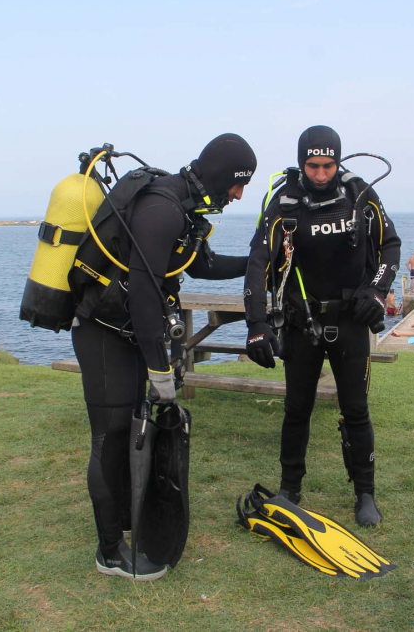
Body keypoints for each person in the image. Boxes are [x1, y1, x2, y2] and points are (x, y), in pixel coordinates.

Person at [70, 133, 257, 580]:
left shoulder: (185, 209)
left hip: (128, 335)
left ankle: (125, 521)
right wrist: (160, 370)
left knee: (127, 433)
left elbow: (200, 266)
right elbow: (143, 298)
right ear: (217, 175)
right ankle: (110, 552)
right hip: (103, 334)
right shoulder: (162, 208)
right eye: (236, 183)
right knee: (110, 439)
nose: (238, 194)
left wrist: (259, 262)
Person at [243, 125, 401, 528]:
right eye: (312, 165)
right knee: (297, 409)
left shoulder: (359, 194)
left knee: (356, 410)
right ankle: (289, 489)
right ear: (301, 163)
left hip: (351, 320)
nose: (319, 174)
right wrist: (257, 324)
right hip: (302, 323)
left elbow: (390, 245)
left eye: (328, 165)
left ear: (338, 161)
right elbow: (259, 261)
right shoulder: (286, 202)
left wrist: (378, 292)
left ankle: (365, 493)